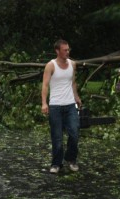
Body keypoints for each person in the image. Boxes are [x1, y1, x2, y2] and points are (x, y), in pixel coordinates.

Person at [41, 39, 82, 174]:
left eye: (68, 49)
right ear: (57, 51)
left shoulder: (73, 64)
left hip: (70, 104)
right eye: (65, 50)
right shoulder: (50, 65)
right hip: (55, 106)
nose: (67, 52)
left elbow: (73, 82)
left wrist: (76, 97)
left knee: (74, 133)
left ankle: (71, 158)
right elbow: (45, 85)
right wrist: (44, 103)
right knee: (57, 137)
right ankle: (56, 163)